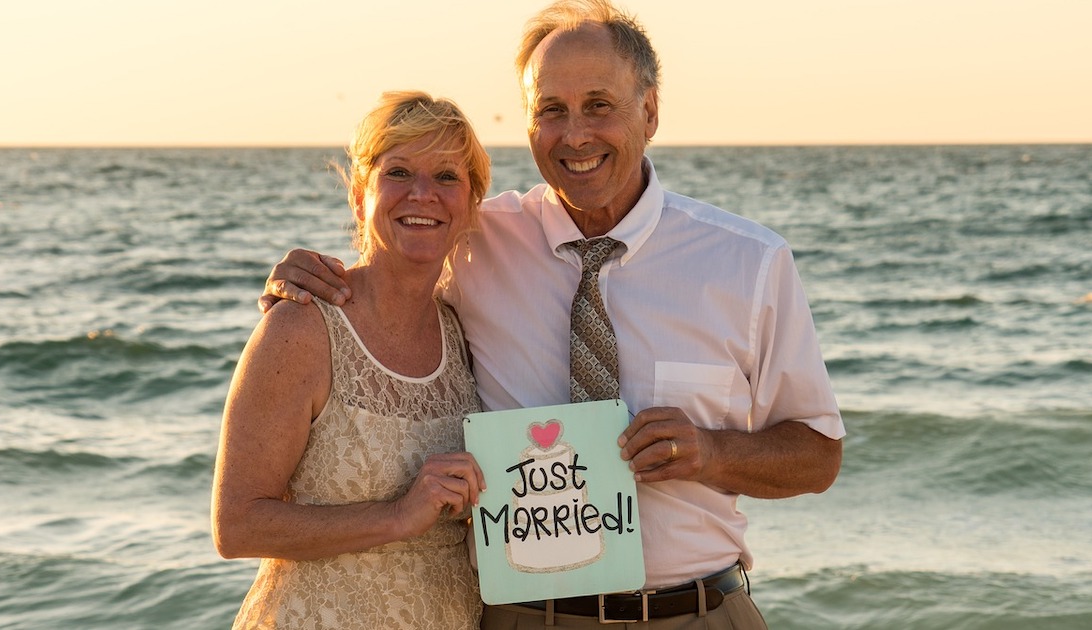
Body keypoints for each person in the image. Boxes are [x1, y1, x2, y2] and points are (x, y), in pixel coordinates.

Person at [260, 1, 845, 627]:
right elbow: (392, 266)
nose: (575, 135)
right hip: (523, 614)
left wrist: (712, 450)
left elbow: (818, 455)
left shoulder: (748, 262)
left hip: (698, 612)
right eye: (551, 110)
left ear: (650, 111)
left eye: (599, 105)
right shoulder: (476, 241)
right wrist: (303, 285)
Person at [211, 91, 493, 629]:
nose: (423, 194)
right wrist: (397, 516)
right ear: (360, 196)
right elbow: (236, 526)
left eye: (446, 176)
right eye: (399, 172)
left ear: (472, 206)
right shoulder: (302, 326)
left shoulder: (465, 330)